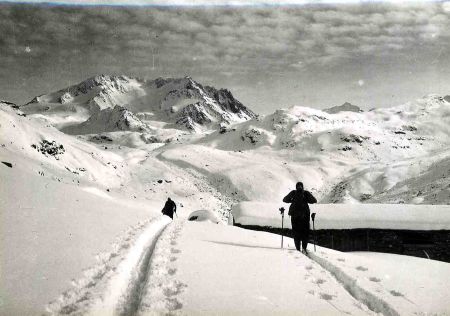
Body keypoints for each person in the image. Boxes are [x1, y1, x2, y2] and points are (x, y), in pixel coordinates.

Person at [283, 182, 317, 253]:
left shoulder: (293, 193)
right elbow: (314, 200)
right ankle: (304, 248)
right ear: (302, 187)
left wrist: (291, 200)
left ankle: (298, 249)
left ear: (296, 187)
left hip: (295, 216)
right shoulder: (306, 193)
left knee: (296, 233)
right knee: (305, 233)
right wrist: (307, 200)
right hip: (305, 216)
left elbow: (285, 199)